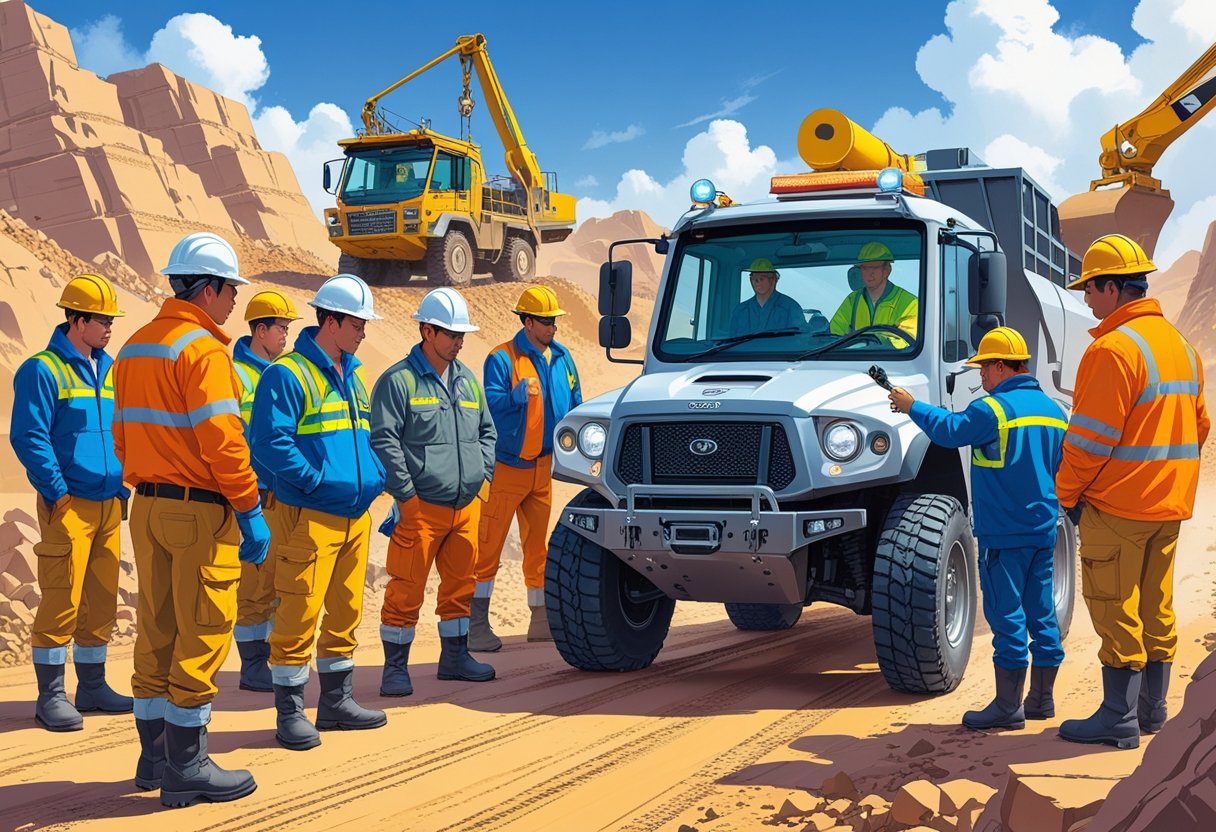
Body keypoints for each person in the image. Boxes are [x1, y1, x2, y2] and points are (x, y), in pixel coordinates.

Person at [113, 231, 269, 806]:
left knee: (156, 629)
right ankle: (188, 764)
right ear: (207, 289)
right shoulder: (201, 350)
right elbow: (224, 442)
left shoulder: (134, 345)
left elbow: (123, 435)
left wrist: (146, 480)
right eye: (230, 290)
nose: (234, 302)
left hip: (147, 507)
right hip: (197, 511)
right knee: (202, 631)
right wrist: (250, 510)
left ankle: (152, 757)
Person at [1056, 234, 1208, 749]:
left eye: (1090, 289)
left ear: (1114, 289)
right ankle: (1154, 711)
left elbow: (1088, 441)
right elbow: (1200, 425)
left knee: (1112, 605)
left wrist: (1067, 494)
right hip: (1168, 505)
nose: (1085, 299)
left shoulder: (1113, 349)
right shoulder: (1181, 347)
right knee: (1156, 606)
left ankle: (1117, 718)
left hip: (1119, 505)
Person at [889, 326, 1066, 731]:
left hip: (1004, 534)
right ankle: (1041, 700)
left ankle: (1007, 708)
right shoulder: (1055, 411)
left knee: (1007, 617)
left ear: (1002, 367)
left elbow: (950, 432)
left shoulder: (992, 410)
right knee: (1042, 615)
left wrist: (912, 406)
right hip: (1043, 529)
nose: (981, 377)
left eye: (984, 368)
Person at [249, 275, 387, 751]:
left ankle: (336, 702)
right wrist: (313, 482)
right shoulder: (287, 374)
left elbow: (362, 437)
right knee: (298, 611)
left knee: (346, 611)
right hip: (308, 516)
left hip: (353, 516)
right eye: (357, 322)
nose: (363, 331)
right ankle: (289, 712)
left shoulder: (355, 373)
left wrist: (373, 477)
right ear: (330, 321)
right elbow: (268, 443)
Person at [11, 274, 133, 732]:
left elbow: (120, 431)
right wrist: (57, 490)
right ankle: (51, 695)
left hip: (107, 504)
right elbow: (28, 436)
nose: (109, 328)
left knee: (100, 601)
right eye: (102, 320)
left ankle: (94, 687)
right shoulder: (43, 370)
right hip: (68, 505)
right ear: (77, 320)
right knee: (62, 599)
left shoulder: (111, 367)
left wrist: (121, 484)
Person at [370, 287, 497, 695]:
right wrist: (405, 498)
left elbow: (487, 433)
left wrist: (483, 478)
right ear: (427, 331)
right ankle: (394, 668)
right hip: (419, 508)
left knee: (460, 588)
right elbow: (385, 442)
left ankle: (455, 658)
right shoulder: (399, 381)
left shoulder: (468, 381)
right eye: (451, 334)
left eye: (462, 335)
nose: (459, 341)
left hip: (465, 508)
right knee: (405, 590)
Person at [471, 286, 583, 650]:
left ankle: (540, 619)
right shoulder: (501, 358)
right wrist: (512, 398)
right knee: (488, 546)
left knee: (538, 547)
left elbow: (576, 402)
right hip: (506, 469)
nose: (553, 327)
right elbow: (490, 405)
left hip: (544, 468)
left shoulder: (563, 358)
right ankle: (475, 623)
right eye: (547, 321)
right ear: (528, 321)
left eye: (555, 321)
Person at [231, 290, 301, 693]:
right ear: (260, 330)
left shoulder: (285, 372)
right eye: (280, 329)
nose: (285, 337)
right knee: (255, 586)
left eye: (288, 329)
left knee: (278, 585)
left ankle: (271, 656)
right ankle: (252, 663)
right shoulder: (237, 376)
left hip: (284, 497)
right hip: (255, 496)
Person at [828, 242, 918, 340]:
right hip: (854, 355)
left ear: (887, 270)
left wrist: (865, 345)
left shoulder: (909, 303)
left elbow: (907, 342)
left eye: (874, 268)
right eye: (865, 268)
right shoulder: (852, 301)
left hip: (888, 356)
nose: (869, 274)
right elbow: (834, 336)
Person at [727, 258, 805, 336]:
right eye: (754, 278)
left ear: (773, 279)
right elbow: (730, 339)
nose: (757, 282)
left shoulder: (790, 308)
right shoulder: (740, 310)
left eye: (762, 278)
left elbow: (800, 339)